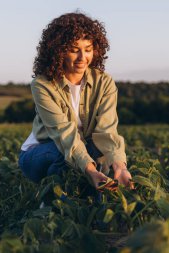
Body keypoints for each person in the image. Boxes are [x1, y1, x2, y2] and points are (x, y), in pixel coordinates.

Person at [18, 12, 133, 190]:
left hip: (78, 147)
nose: (82, 58)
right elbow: (64, 134)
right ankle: (51, 202)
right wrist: (90, 170)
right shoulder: (42, 84)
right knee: (65, 155)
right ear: (58, 50)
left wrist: (119, 166)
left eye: (88, 49)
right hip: (39, 154)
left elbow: (107, 131)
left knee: (102, 157)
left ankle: (92, 203)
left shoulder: (104, 82)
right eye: (74, 50)